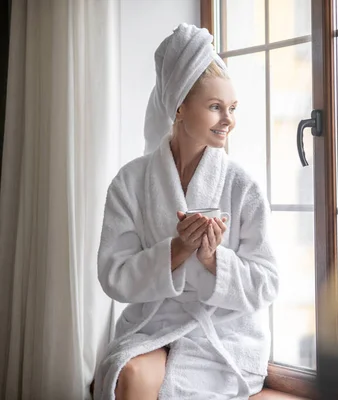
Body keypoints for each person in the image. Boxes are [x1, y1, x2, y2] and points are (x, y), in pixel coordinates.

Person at [93, 23, 278, 400]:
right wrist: (176, 251)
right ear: (179, 107)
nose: (228, 119)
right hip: (152, 323)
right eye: (215, 107)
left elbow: (266, 283)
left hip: (221, 333)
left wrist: (213, 260)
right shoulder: (130, 182)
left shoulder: (242, 185)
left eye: (232, 108)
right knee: (128, 374)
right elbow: (114, 275)